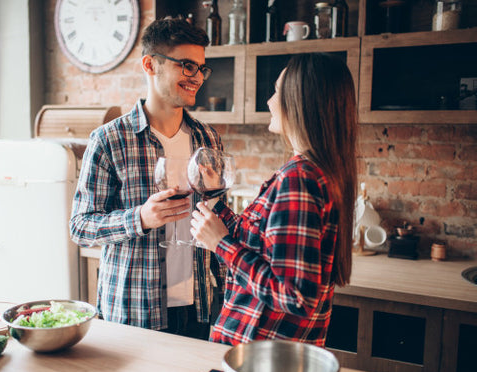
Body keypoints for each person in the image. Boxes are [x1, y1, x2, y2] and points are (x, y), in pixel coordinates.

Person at [69, 18, 225, 339]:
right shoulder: (109, 140)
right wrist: (139, 217)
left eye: (200, 68)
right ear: (150, 65)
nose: (196, 77)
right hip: (135, 308)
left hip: (197, 304)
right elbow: (80, 227)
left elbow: (215, 219)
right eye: (186, 66)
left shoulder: (208, 139)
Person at [190, 53, 358, 347]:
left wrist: (221, 245)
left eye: (277, 92)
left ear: (300, 102)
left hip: (257, 358)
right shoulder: (318, 171)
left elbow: (293, 295)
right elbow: (261, 244)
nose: (269, 101)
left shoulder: (299, 179)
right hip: (270, 357)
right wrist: (215, 197)